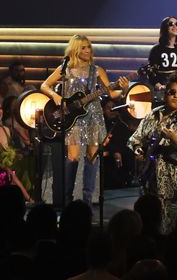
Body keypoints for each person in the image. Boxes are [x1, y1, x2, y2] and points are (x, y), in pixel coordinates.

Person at [40, 35, 129, 205]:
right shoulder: (65, 68)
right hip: (73, 118)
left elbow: (112, 93)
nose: (87, 50)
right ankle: (68, 200)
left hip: (94, 116)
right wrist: (55, 96)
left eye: (89, 47)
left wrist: (123, 90)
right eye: (83, 47)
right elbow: (44, 85)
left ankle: (87, 200)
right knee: (72, 157)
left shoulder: (97, 70)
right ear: (75, 49)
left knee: (92, 157)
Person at [128, 73, 177, 233]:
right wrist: (139, 150)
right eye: (172, 92)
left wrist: (175, 139)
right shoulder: (152, 115)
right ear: (166, 93)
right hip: (155, 187)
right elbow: (136, 138)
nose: (175, 97)